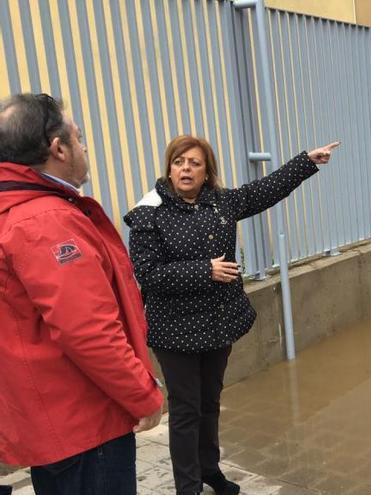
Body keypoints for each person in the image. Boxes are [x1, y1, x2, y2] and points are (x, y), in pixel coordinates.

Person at [124, 135, 337, 494]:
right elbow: (148, 274)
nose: (186, 169)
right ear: (170, 168)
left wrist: (307, 162)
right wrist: (204, 270)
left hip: (217, 323)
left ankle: (210, 470)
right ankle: (188, 486)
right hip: (175, 330)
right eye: (179, 162)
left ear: (207, 171)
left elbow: (267, 189)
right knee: (186, 411)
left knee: (210, 404)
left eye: (194, 162)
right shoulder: (150, 213)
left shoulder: (221, 202)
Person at [0, 93, 164, 495]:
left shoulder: (16, 208)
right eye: (78, 136)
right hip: (85, 424)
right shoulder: (45, 221)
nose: (84, 146)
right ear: (57, 148)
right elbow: (88, 331)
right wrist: (144, 395)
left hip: (53, 421)